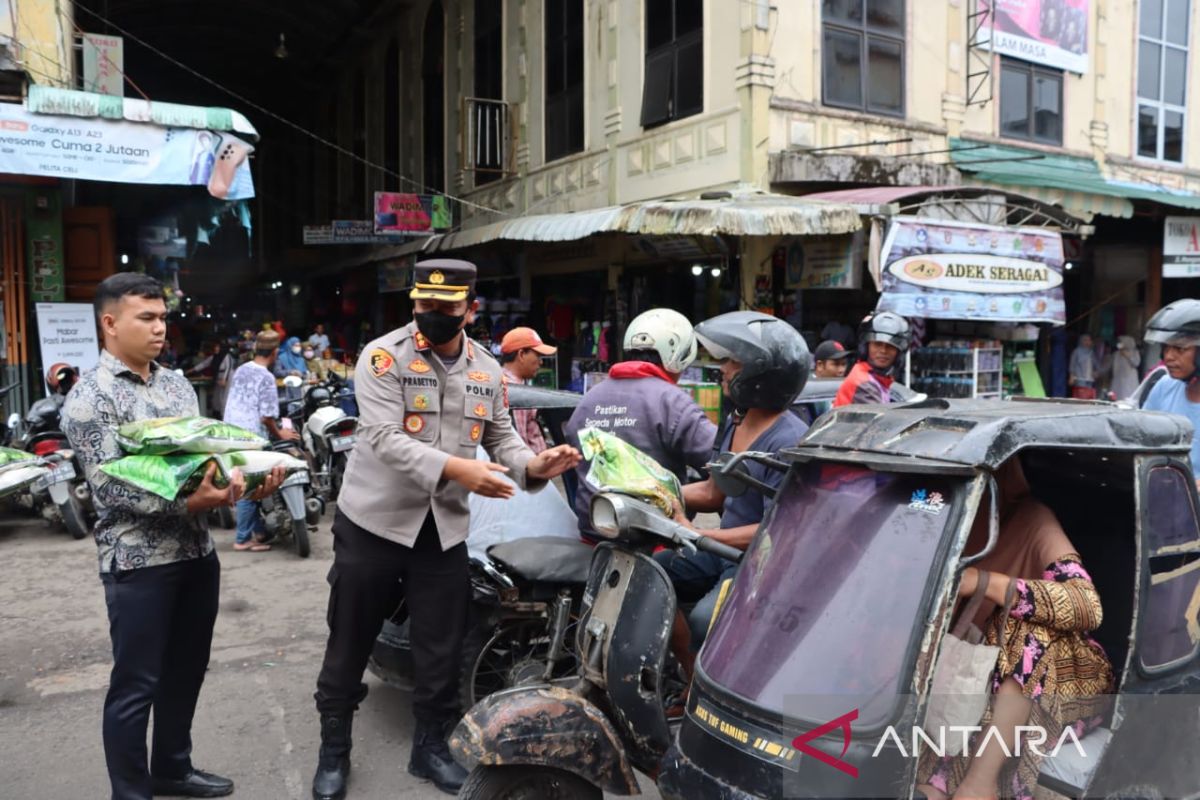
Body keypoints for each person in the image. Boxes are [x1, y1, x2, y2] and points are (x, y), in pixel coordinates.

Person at [311, 259, 581, 799]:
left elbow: (501, 437)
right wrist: (460, 470)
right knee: (350, 639)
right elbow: (384, 438)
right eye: (423, 305)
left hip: (442, 532)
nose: (431, 315)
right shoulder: (384, 356)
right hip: (374, 523)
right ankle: (333, 751)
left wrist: (534, 466)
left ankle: (430, 748)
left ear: (469, 309)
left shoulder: (485, 368)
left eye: (445, 307)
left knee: (442, 647)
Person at [62, 273, 285, 800]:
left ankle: (172, 768)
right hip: (138, 562)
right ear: (110, 323)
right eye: (147, 317)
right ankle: (131, 792)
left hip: (195, 551)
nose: (161, 328)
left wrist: (243, 482)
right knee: (136, 684)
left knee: (186, 671)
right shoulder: (89, 398)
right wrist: (188, 501)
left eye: (163, 317)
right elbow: (108, 485)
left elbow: (201, 456)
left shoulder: (176, 383)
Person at [918, 458, 1113, 800]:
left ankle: (981, 786)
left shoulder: (1030, 520)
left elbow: (1087, 605)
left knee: (1023, 635)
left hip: (1059, 675)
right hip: (973, 672)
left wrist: (985, 583)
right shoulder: (933, 513)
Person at [656, 311, 812, 677]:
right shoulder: (737, 420)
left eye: (733, 362)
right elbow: (713, 492)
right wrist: (658, 491)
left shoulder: (788, 440)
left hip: (759, 560)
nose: (723, 369)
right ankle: (686, 676)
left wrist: (700, 534)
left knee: (703, 621)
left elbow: (776, 529)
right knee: (650, 575)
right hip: (722, 550)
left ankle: (710, 689)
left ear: (762, 374)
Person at [563, 308, 718, 542]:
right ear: (680, 356)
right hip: (655, 542)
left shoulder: (590, 397)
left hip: (593, 537)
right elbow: (721, 463)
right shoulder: (673, 402)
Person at [223, 331, 301, 552]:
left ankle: (258, 532)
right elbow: (266, 417)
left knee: (249, 484)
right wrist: (280, 434)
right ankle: (242, 539)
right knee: (252, 489)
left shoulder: (242, 369)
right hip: (251, 437)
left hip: (232, 434)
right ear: (275, 352)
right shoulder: (266, 377)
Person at [1138, 299, 1200, 477]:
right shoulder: (1164, 386)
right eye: (1165, 348)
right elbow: (1143, 441)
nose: (1168, 357)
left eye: (1180, 349)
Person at [499, 326, 558, 454]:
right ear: (521, 354)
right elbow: (519, 446)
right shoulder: (515, 392)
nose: (541, 362)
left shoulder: (506, 384)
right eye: (538, 355)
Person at [833, 311, 910, 407]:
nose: (883, 351)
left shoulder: (877, 378)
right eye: (877, 344)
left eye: (890, 346)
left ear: (898, 353)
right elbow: (882, 420)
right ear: (865, 348)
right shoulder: (864, 383)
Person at [1069, 333, 1100, 400]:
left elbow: (1097, 365)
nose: (1087, 342)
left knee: (1088, 397)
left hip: (1090, 379)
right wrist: (1071, 376)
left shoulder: (1091, 352)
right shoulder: (1077, 351)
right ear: (1081, 341)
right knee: (1080, 396)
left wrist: (1096, 372)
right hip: (1080, 378)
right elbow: (1072, 364)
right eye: (1085, 340)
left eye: (1089, 340)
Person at [1110, 335, 1141, 400]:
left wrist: (1128, 356)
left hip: (1129, 379)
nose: (1120, 344)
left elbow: (1136, 363)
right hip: (1118, 379)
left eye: (1121, 342)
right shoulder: (1116, 353)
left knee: (1128, 397)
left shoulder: (1134, 352)